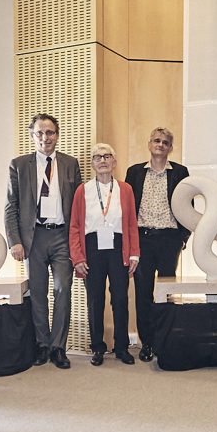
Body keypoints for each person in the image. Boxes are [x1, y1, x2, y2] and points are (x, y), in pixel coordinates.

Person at [5, 113, 82, 369]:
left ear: (57, 136)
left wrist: (78, 244)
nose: (45, 137)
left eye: (50, 132)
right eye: (39, 133)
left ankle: (58, 347)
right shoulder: (19, 165)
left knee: (63, 289)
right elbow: (11, 206)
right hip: (34, 237)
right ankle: (42, 344)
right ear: (32, 136)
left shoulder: (70, 164)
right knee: (38, 293)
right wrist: (14, 241)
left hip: (62, 236)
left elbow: (79, 207)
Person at [70, 143, 140, 366]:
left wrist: (134, 254)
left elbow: (131, 223)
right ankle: (97, 347)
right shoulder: (83, 190)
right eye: (97, 157)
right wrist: (77, 257)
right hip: (92, 248)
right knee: (95, 300)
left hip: (119, 246)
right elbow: (74, 226)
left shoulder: (125, 189)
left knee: (120, 298)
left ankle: (121, 347)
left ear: (114, 162)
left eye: (107, 156)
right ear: (92, 163)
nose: (102, 160)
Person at [124, 128, 190, 362]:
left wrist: (183, 237)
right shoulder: (134, 172)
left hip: (169, 240)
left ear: (170, 147)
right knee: (143, 293)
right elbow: (127, 208)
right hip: (142, 240)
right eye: (156, 141)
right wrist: (129, 242)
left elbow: (188, 206)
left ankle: (165, 340)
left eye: (165, 142)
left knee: (166, 291)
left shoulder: (180, 172)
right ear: (149, 143)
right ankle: (147, 343)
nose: (160, 145)